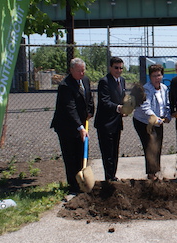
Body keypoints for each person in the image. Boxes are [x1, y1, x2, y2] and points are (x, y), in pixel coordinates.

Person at [50, 58, 95, 193]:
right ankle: (73, 186)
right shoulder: (65, 85)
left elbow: (89, 98)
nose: (82, 73)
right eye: (79, 71)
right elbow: (70, 108)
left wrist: (90, 112)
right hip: (66, 127)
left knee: (82, 153)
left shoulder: (85, 80)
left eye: (83, 70)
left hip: (81, 123)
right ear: (71, 70)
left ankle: (82, 183)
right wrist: (80, 127)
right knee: (71, 156)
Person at [133, 64, 171, 180]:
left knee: (158, 146)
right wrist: (154, 117)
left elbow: (167, 104)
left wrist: (167, 115)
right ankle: (151, 174)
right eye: (154, 76)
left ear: (162, 76)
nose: (157, 78)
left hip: (158, 122)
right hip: (143, 122)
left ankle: (156, 171)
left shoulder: (164, 88)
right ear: (150, 77)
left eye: (159, 75)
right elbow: (145, 107)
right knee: (150, 146)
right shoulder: (146, 89)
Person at [94, 56, 126, 182]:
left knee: (115, 152)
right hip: (105, 124)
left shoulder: (122, 81)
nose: (118, 70)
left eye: (121, 68)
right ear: (110, 68)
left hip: (117, 122)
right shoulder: (104, 81)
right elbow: (104, 101)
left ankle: (113, 175)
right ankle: (109, 178)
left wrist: (125, 109)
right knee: (107, 153)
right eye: (116, 68)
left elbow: (121, 98)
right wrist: (119, 108)